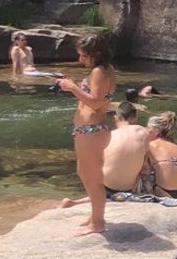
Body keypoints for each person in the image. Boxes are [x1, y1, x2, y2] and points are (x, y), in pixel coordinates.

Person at [57, 33, 115, 236]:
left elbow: (96, 102)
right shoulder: (103, 70)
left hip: (91, 131)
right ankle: (94, 216)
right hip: (87, 131)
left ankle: (98, 223)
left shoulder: (99, 72)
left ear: (95, 54)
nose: (79, 59)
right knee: (85, 174)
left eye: (83, 55)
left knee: (93, 179)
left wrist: (73, 87)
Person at [60, 102, 151, 207]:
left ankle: (76, 202)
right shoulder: (143, 132)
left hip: (106, 185)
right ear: (134, 119)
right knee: (145, 161)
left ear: (116, 117)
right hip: (127, 187)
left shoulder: (108, 136)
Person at [147, 111, 177, 200]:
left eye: (148, 128)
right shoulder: (176, 144)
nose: (146, 130)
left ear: (156, 131)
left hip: (164, 192)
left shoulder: (151, 146)